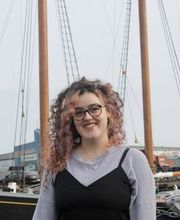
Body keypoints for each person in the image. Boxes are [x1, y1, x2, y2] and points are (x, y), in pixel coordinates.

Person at [32, 77, 156, 220]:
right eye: (78, 112)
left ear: (109, 111)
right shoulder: (57, 163)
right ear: (70, 119)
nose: (87, 117)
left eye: (94, 109)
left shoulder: (132, 160)